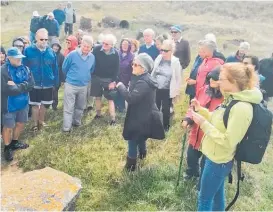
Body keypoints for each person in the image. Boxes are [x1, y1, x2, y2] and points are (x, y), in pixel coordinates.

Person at [190, 63, 262, 211]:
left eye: (222, 79)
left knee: (204, 199)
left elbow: (228, 141)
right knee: (217, 195)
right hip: (215, 157)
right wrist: (201, 111)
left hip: (218, 161)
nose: (218, 81)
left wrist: (203, 124)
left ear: (234, 82)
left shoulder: (241, 108)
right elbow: (219, 121)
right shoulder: (232, 99)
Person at [116, 53, 165, 171]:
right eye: (133, 63)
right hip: (144, 114)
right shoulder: (143, 77)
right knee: (141, 136)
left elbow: (131, 98)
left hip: (140, 116)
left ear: (143, 68)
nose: (132, 66)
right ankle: (142, 155)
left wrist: (121, 86)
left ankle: (131, 166)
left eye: (136, 64)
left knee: (132, 139)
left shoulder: (143, 82)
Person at [182, 67, 224, 180]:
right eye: (210, 78)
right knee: (191, 155)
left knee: (206, 161)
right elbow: (194, 106)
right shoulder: (204, 89)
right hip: (196, 131)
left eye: (214, 79)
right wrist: (188, 118)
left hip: (210, 135)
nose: (211, 80)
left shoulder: (225, 98)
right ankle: (192, 172)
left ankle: (202, 180)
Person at [1, 47, 34, 161]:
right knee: (8, 127)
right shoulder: (3, 71)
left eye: (20, 57)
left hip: (24, 104)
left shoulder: (26, 68)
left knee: (20, 124)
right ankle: (7, 147)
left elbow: (31, 84)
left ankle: (14, 142)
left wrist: (17, 85)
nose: (19, 59)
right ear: (9, 58)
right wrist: (24, 85)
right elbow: (8, 89)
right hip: (9, 106)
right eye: (16, 58)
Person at [23, 28, 59, 132]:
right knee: (35, 105)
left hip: (48, 83)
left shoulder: (51, 52)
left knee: (45, 105)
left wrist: (56, 81)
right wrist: (26, 81)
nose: (44, 41)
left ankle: (41, 122)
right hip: (34, 83)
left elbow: (55, 68)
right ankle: (35, 125)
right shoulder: (28, 50)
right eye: (41, 39)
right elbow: (24, 67)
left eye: (46, 39)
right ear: (36, 39)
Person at [62, 35, 95, 132]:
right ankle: (66, 128)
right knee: (69, 107)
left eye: (88, 47)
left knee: (80, 106)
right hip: (71, 85)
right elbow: (64, 68)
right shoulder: (72, 54)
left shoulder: (92, 57)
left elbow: (91, 70)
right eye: (84, 46)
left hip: (84, 86)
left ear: (91, 47)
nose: (86, 48)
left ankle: (76, 122)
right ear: (81, 45)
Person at [151, 40, 181, 131]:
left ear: (171, 51)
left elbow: (178, 77)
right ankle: (155, 125)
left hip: (168, 89)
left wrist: (176, 91)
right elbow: (153, 72)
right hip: (157, 88)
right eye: (162, 50)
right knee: (155, 107)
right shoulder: (159, 58)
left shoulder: (175, 62)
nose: (163, 52)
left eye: (165, 51)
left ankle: (165, 127)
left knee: (166, 109)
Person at [91, 34, 120, 125]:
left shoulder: (115, 54)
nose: (104, 45)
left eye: (107, 44)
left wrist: (113, 81)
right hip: (96, 77)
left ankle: (113, 119)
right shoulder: (96, 50)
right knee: (97, 97)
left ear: (112, 45)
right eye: (103, 43)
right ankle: (98, 114)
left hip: (109, 79)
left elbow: (117, 69)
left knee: (110, 99)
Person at [115, 38, 134, 113]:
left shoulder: (132, 56)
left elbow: (132, 69)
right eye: (123, 44)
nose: (124, 46)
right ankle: (115, 106)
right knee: (115, 92)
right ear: (121, 45)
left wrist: (131, 80)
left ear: (129, 46)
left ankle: (122, 108)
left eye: (126, 44)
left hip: (126, 78)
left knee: (123, 93)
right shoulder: (117, 53)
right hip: (116, 77)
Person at [51, 38, 65, 110]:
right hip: (49, 76)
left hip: (57, 77)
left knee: (55, 91)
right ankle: (47, 104)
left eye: (57, 46)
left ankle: (54, 106)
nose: (55, 47)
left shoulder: (61, 56)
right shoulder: (48, 54)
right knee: (49, 91)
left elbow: (63, 69)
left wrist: (63, 80)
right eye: (54, 46)